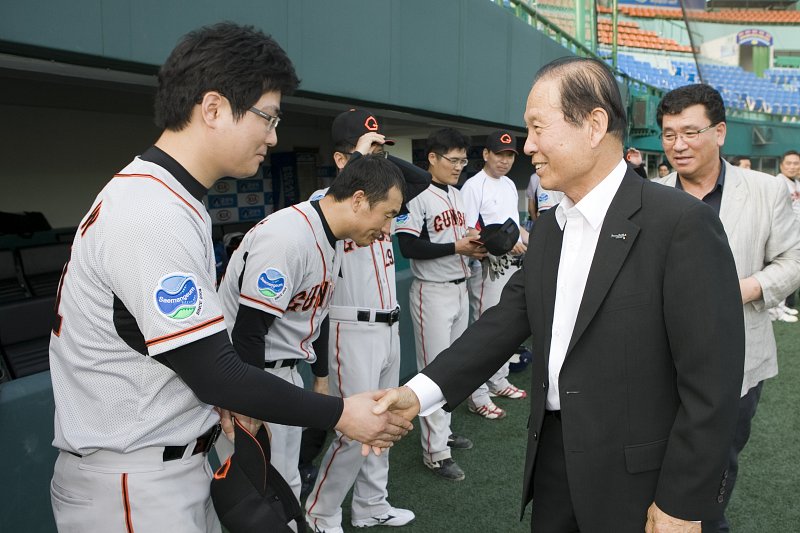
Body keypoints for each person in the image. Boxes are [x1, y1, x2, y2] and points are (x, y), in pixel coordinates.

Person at [48, 23, 411, 533]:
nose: (274, 135)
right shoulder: (151, 210)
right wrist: (339, 413)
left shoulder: (170, 197)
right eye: (268, 117)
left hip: (167, 461)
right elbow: (216, 370)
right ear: (213, 108)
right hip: (133, 477)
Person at [375, 56, 745, 533]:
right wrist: (415, 394)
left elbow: (712, 381)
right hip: (553, 466)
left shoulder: (680, 224)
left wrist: (682, 501)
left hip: (639, 484)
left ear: (593, 125)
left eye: (537, 127)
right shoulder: (550, 229)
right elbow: (502, 324)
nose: (528, 145)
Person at [653, 84, 800, 533]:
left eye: (691, 132)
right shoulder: (652, 194)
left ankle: (708, 523)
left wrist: (744, 289)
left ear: (719, 132)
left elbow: (793, 261)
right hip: (659, 361)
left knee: (717, 464)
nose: (678, 145)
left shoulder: (766, 190)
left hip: (739, 360)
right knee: (656, 458)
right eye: (668, 134)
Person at [302, 109, 429, 533]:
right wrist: (357, 161)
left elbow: (421, 180)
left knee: (387, 420)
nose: (379, 156)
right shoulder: (326, 202)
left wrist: (377, 161)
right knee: (355, 430)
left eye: (382, 149)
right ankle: (320, 513)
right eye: (369, 148)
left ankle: (372, 504)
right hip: (348, 326)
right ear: (341, 160)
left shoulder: (383, 199)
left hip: (387, 326)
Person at [395, 128, 484, 481]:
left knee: (453, 368)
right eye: (453, 159)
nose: (459, 166)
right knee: (433, 372)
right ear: (432, 157)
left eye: (464, 160)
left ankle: (443, 433)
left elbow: (459, 239)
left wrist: (477, 244)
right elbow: (408, 247)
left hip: (460, 287)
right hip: (431, 290)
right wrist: (456, 248)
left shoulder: (459, 195)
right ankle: (435, 452)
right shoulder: (415, 197)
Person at [461, 130, 528, 420]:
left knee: (505, 329)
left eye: (509, 155)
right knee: (485, 331)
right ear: (485, 154)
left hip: (512, 265)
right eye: (499, 154)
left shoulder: (510, 184)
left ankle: (498, 380)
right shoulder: (473, 186)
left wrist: (528, 241)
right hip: (488, 267)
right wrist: (505, 243)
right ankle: (477, 395)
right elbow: (468, 231)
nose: (504, 160)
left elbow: (516, 225)